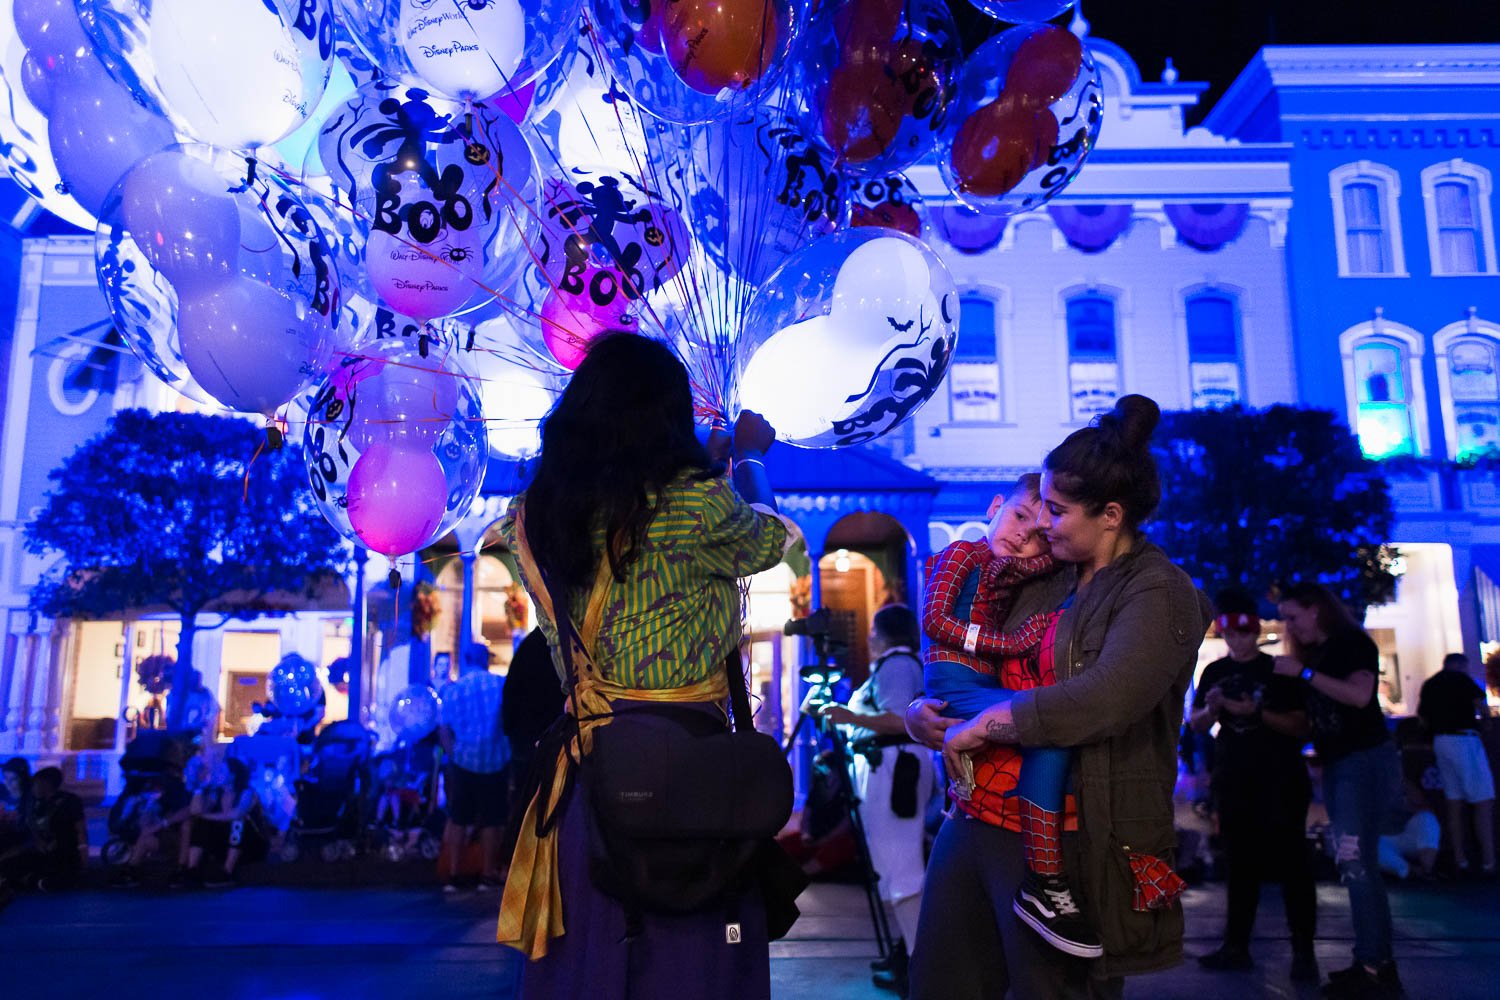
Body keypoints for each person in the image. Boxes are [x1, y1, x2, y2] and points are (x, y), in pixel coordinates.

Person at [495, 332, 800, 1000]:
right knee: (688, 958)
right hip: (687, 763)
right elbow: (773, 539)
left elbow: (632, 519)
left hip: (594, 770)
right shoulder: (695, 505)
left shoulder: (535, 516)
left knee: (598, 954)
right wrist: (747, 459)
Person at [907, 395, 1212, 999]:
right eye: (1039, 506)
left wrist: (990, 723)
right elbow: (974, 659)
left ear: (1110, 515)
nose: (1041, 523)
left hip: (1078, 834)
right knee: (941, 985)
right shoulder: (1045, 573)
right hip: (977, 815)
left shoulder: (1159, 592)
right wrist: (924, 712)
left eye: (1056, 509)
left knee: (1055, 991)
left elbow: (1106, 698)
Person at [922, 474, 1099, 958]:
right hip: (959, 682)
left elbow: (1049, 556)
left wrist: (1046, 537)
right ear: (995, 504)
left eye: (1041, 531)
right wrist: (1009, 642)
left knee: (1041, 728)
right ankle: (1045, 879)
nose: (1024, 535)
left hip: (974, 689)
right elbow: (934, 620)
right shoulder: (964, 554)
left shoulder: (1009, 567)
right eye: (1020, 516)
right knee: (1045, 730)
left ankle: (1043, 879)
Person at [1273, 583, 1403, 999]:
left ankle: (1376, 966)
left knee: (1355, 861)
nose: (1289, 625)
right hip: (1342, 763)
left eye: (1293, 616)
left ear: (1315, 610)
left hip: (1362, 761)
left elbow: (1360, 695)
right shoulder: (1321, 653)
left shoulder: (1350, 644)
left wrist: (1305, 674)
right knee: (1354, 863)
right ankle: (1371, 961)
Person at [1188, 590, 1317, 981]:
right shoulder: (1214, 672)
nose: (1238, 642)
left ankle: (1303, 950)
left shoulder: (1280, 671)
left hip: (1280, 779)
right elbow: (1195, 723)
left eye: (1244, 634)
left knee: (1293, 863)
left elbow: (1300, 725)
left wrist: (1255, 711)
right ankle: (1236, 944)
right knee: (1239, 863)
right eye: (1232, 635)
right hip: (1235, 778)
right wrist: (1213, 709)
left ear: (1255, 632)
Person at [818, 604, 936, 997]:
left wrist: (850, 719)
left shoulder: (899, 665)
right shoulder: (894, 665)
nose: (867, 637)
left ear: (884, 633)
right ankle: (911, 957)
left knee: (901, 867)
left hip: (894, 770)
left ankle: (923, 966)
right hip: (887, 768)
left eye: (872, 630)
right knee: (895, 864)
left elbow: (902, 719)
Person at [437, 642, 509, 892]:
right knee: (492, 820)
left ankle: (455, 875)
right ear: (485, 661)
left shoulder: (454, 690)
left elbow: (444, 729)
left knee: (458, 819)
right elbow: (509, 721)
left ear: (466, 660)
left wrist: (453, 754)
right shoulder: (500, 685)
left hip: (464, 761)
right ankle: (487, 875)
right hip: (495, 760)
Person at [1417, 652, 1496, 876]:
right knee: (1482, 800)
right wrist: (1487, 725)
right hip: (1465, 739)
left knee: (1454, 801)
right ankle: (1488, 860)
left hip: (1441, 742)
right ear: (1461, 665)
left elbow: (1422, 717)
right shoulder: (1462, 680)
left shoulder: (1431, 684)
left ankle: (1459, 858)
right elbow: (1481, 706)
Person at [177, 757, 269, 888]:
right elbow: (196, 811)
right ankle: (192, 869)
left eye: (221, 771)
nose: (217, 774)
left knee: (238, 822)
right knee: (201, 824)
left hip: (250, 844)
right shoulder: (217, 793)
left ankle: (227, 872)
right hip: (226, 843)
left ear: (232, 775)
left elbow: (236, 814)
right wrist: (200, 788)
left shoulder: (247, 792)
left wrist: (206, 816)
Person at [500, 627, 565, 801]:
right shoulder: (564, 643)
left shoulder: (529, 646)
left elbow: (510, 693)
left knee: (526, 801)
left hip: (526, 740)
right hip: (557, 740)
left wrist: (510, 732)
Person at [0, 767, 88, 892]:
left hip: (63, 850)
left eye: (36, 784)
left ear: (46, 785)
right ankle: (34, 881)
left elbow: (80, 828)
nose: (33, 788)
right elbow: (30, 826)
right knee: (10, 866)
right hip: (40, 851)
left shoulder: (69, 801)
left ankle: (40, 881)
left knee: (61, 871)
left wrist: (83, 850)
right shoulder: (33, 803)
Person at [0, 758, 33, 854]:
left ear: (23, 778)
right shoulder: (1, 791)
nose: (7, 783)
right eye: (5, 778)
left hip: (20, 846)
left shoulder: (32, 797)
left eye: (13, 779)